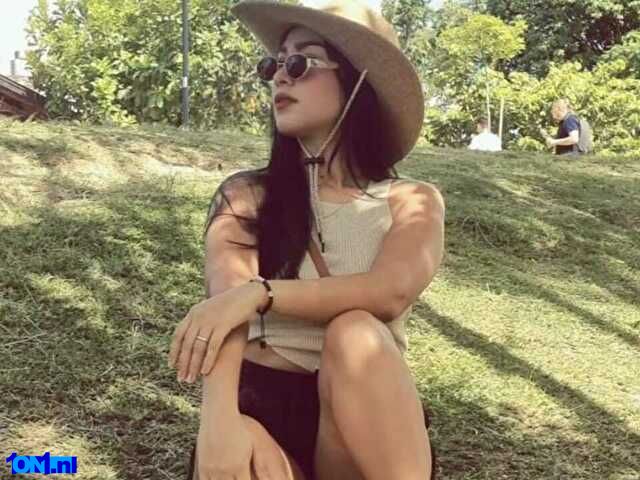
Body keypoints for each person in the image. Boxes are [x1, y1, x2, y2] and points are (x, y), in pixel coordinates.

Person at [167, 1, 445, 479]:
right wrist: (219, 419)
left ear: (358, 80)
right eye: (273, 65)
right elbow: (224, 308)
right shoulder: (247, 194)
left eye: (300, 62)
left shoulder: (412, 201)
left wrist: (261, 294)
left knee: (355, 332)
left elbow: (389, 291)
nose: (280, 76)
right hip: (265, 407)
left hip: (367, 414)